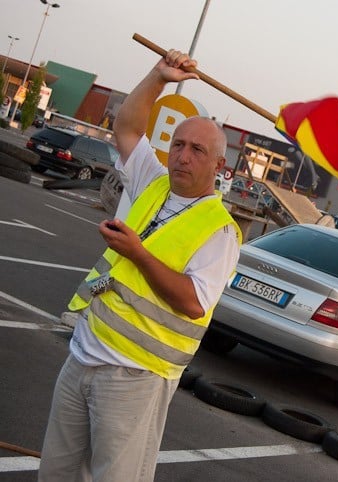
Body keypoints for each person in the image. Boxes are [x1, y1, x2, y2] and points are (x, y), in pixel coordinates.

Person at [38, 50, 241, 481]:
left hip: (135, 377)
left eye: (197, 150)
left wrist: (139, 254)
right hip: (83, 356)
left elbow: (193, 302)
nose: (183, 156)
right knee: (57, 471)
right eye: (178, 145)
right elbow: (128, 127)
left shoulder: (220, 231)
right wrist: (158, 76)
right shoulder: (155, 180)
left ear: (218, 165)